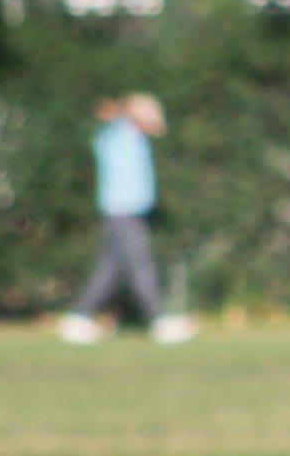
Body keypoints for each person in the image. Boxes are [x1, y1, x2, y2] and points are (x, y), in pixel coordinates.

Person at [58, 94, 195, 345]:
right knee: (141, 264)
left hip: (130, 211)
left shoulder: (134, 136)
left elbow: (157, 128)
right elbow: (108, 119)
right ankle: (158, 321)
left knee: (109, 269)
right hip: (122, 210)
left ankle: (77, 319)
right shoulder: (117, 134)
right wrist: (126, 111)